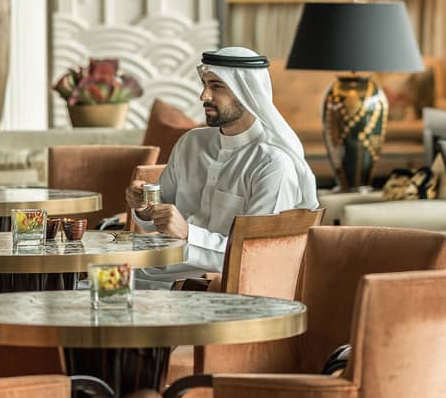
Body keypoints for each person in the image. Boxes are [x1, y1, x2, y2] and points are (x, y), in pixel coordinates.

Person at [127, 46, 318, 287]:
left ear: (247, 93)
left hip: (207, 288)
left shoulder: (273, 164)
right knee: (77, 287)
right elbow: (158, 214)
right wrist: (144, 207)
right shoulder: (191, 143)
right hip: (152, 272)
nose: (204, 96)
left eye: (216, 87)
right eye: (205, 84)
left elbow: (255, 254)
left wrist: (188, 234)